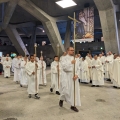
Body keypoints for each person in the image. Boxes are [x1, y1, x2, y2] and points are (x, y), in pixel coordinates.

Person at [59, 47, 81, 112]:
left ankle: (73, 105)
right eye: (71, 50)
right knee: (65, 91)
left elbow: (78, 68)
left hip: (74, 77)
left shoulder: (76, 58)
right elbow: (64, 68)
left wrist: (77, 75)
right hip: (66, 76)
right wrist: (71, 63)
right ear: (67, 50)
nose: (73, 51)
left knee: (74, 91)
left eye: (73, 50)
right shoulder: (63, 58)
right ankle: (61, 99)